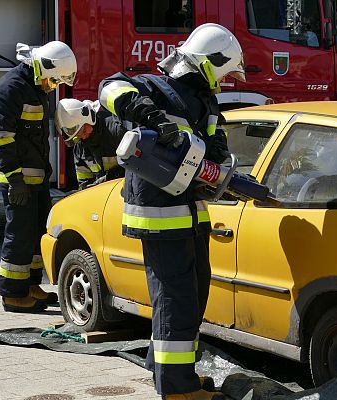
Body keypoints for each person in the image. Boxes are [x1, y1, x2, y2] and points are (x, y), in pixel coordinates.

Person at [98, 23, 245, 400]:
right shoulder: (153, 87)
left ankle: (177, 371)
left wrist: (220, 163)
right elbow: (109, 89)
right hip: (159, 216)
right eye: (226, 72)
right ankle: (176, 389)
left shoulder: (206, 103)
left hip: (192, 212)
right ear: (209, 62)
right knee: (174, 298)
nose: (226, 81)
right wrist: (150, 116)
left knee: (194, 293)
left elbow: (214, 148)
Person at [0, 41, 77, 313]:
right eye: (53, 80)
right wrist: (15, 179)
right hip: (17, 180)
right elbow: (0, 138)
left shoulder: (34, 87)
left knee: (37, 232)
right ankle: (13, 294)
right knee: (20, 235)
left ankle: (30, 285)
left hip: (35, 177)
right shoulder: (10, 90)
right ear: (42, 67)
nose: (52, 86)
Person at [55, 98, 126, 189]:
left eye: (83, 130)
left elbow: (137, 166)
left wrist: (109, 178)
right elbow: (83, 183)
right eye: (78, 136)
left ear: (90, 119)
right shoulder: (80, 149)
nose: (83, 137)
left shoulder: (116, 131)